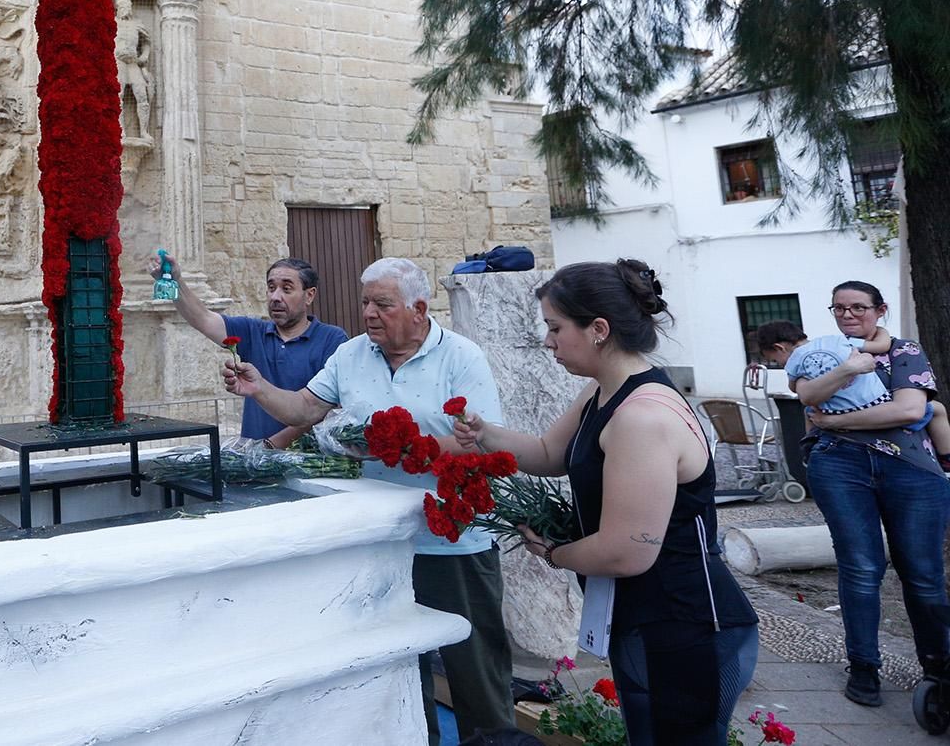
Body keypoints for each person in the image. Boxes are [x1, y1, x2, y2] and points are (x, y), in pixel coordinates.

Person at [453, 259, 759, 746]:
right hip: (644, 615)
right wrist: (484, 432)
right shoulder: (602, 391)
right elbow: (551, 453)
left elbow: (627, 550)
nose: (548, 341)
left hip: (687, 623)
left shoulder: (642, 416)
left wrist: (553, 553)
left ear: (598, 329)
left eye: (555, 328)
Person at [223, 256, 513, 740]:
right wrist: (260, 390)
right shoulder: (352, 354)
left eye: (383, 304)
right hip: (381, 542)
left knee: (474, 669)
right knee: (399, 671)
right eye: (365, 303)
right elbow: (305, 408)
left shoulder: (461, 357)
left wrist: (392, 445)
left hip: (452, 541)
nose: (370, 314)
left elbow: (478, 439)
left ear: (419, 308)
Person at [784, 280, 948, 708]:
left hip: (909, 468)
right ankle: (863, 667)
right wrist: (847, 370)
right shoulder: (822, 353)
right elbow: (806, 395)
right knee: (860, 568)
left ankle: (938, 669)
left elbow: (910, 410)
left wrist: (834, 423)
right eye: (839, 308)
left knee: (923, 575)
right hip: (839, 466)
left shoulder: (904, 352)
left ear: (880, 310)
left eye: (858, 307)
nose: (848, 315)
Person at [152, 252, 347, 448]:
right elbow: (203, 318)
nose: (276, 297)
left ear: (309, 295)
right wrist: (175, 280)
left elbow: (323, 408)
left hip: (308, 463)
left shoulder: (332, 339)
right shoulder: (254, 332)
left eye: (286, 289)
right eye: (271, 288)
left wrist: (270, 446)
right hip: (255, 460)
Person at [756, 319, 950, 467]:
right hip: (877, 405)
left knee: (810, 412)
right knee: (938, 409)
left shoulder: (794, 362)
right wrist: (881, 330)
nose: (779, 364)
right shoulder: (838, 341)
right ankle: (947, 457)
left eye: (774, 360)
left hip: (837, 413)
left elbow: (795, 389)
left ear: (779, 347)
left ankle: (810, 448)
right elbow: (882, 346)